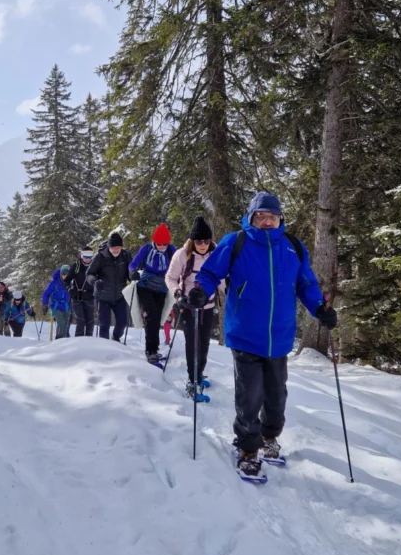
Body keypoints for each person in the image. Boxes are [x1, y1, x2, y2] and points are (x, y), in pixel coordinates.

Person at [191, 192, 337, 480]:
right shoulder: (236, 241)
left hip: (279, 337)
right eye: (261, 216)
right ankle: (247, 450)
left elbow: (306, 283)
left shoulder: (293, 246)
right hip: (245, 332)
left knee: (276, 395)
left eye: (272, 216)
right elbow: (210, 273)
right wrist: (199, 291)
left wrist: (319, 308)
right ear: (251, 217)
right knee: (249, 395)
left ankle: (270, 437)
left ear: (280, 218)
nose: (267, 220)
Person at [166, 216, 225, 398]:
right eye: (199, 241)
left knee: (204, 343)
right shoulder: (182, 255)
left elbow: (222, 279)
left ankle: (199, 374)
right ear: (193, 241)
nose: (203, 244)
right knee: (193, 343)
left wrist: (231, 294)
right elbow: (170, 278)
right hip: (188, 306)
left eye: (206, 240)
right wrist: (177, 294)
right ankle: (192, 380)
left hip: (207, 306)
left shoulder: (216, 254)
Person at [129, 223, 176, 362]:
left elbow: (180, 265)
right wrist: (132, 272)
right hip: (145, 286)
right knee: (152, 316)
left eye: (164, 243)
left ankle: (154, 349)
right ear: (154, 241)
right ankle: (151, 351)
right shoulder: (146, 249)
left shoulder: (171, 250)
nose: (162, 246)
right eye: (159, 243)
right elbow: (133, 264)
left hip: (162, 288)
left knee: (157, 319)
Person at [84, 232, 132, 341]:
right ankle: (104, 347)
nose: (116, 250)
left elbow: (130, 271)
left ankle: (115, 337)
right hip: (102, 297)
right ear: (109, 247)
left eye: (118, 247)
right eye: (114, 247)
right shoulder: (101, 257)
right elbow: (89, 274)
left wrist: (133, 275)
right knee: (104, 325)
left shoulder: (125, 256)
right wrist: (95, 282)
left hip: (120, 296)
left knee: (122, 323)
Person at [64, 246, 96, 336]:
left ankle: (89, 343)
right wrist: (69, 289)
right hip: (76, 297)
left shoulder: (95, 266)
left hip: (89, 296)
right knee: (80, 321)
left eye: (90, 257)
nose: (87, 259)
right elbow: (66, 280)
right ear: (81, 256)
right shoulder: (76, 266)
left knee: (90, 322)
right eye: (86, 257)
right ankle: (79, 343)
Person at [42, 265, 72, 339]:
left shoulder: (71, 283)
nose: (65, 276)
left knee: (66, 323)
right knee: (61, 322)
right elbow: (46, 293)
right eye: (64, 273)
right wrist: (44, 303)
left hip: (66, 306)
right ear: (61, 273)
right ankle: (58, 338)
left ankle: (64, 338)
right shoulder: (55, 282)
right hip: (55, 305)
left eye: (67, 274)